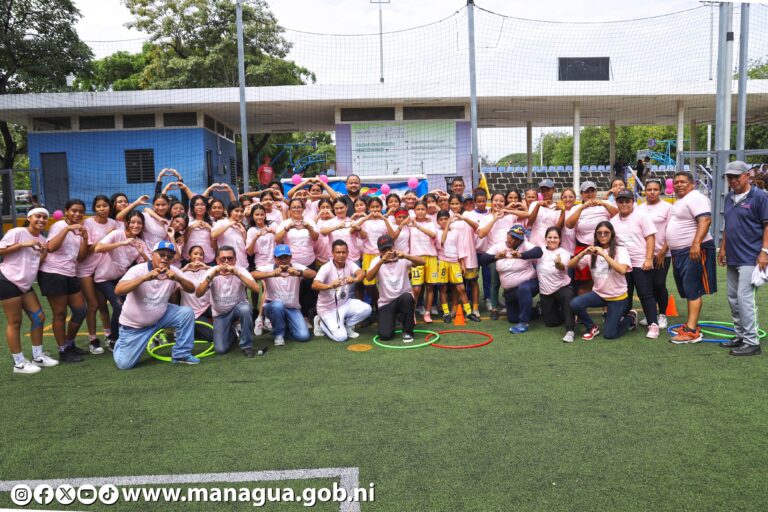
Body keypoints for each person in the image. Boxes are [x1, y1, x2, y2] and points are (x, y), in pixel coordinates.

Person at [113, 241, 200, 369]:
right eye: (161, 254)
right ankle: (120, 343)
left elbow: (192, 289)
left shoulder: (173, 271)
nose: (165, 258)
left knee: (186, 313)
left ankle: (181, 354)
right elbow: (118, 290)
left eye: (169, 256)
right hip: (136, 327)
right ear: (153, 255)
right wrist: (144, 278)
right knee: (124, 364)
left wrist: (178, 279)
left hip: (161, 315)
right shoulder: (138, 269)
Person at [717, 161, 768, 356]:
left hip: (751, 257)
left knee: (744, 299)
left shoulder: (760, 197)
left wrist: (765, 252)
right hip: (733, 255)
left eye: (736, 176)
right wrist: (722, 248)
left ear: (747, 175)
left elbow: (767, 225)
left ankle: (752, 342)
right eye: (729, 177)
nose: (733, 180)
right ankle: (740, 336)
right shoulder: (729, 197)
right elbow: (729, 225)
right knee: (733, 299)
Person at [0, 208, 58, 374]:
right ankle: (19, 363)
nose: (41, 220)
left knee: (39, 317)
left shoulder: (41, 239)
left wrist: (44, 251)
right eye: (38, 216)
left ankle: (38, 356)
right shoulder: (17, 232)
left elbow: (36, 262)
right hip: (8, 280)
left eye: (45, 218)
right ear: (29, 218)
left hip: (25, 285)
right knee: (15, 322)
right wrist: (22, 244)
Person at [667, 171, 716, 344]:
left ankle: (692, 331)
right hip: (680, 252)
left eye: (683, 182)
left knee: (692, 287)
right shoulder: (682, 201)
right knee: (688, 288)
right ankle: (690, 325)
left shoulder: (696, 197)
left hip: (693, 249)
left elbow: (705, 220)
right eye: (676, 182)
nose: (679, 184)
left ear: (692, 183)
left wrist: (696, 244)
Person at [38, 199, 89, 363]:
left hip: (70, 273)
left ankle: (70, 343)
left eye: (81, 211)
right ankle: (63, 350)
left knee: (81, 311)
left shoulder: (80, 230)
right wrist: (67, 229)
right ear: (66, 211)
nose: (77, 214)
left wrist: (85, 239)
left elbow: (81, 257)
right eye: (74, 210)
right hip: (53, 273)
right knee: (60, 313)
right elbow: (51, 247)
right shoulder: (59, 226)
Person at [569, 221, 637, 340]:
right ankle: (592, 326)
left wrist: (604, 255)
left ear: (612, 235)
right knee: (575, 303)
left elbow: (622, 270)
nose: (603, 236)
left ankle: (630, 318)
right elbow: (570, 265)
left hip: (618, 298)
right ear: (596, 236)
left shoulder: (620, 250)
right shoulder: (592, 252)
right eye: (599, 233)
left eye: (606, 233)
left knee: (610, 334)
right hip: (599, 294)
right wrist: (583, 253)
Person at [94, 211, 151, 350]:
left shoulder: (140, 242)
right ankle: (113, 339)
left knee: (132, 305)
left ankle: (130, 335)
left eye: (139, 223)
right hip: (103, 278)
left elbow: (150, 263)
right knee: (118, 306)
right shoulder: (117, 234)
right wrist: (122, 243)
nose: (136, 225)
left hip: (120, 278)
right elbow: (98, 248)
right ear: (127, 223)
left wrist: (141, 251)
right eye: (133, 222)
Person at [611, 189, 659, 338]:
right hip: (623, 264)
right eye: (621, 201)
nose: (624, 204)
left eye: (627, 201)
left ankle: (653, 324)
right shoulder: (613, 221)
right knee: (626, 294)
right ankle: (628, 320)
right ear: (616, 202)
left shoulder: (641, 216)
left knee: (645, 294)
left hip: (640, 262)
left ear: (633, 202)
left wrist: (649, 259)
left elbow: (650, 238)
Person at [195, 246, 259, 357]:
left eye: (230, 258)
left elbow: (256, 289)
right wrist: (212, 275)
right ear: (217, 260)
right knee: (220, 349)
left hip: (238, 308)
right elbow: (198, 293)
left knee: (245, 308)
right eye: (223, 259)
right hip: (221, 315)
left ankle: (247, 345)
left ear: (235, 260)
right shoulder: (211, 271)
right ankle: (232, 333)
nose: (226, 262)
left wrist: (237, 274)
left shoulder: (240, 270)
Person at [251, 244, 317, 346]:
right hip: (273, 307)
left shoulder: (295, 267)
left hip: (292, 308)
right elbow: (253, 274)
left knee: (304, 336)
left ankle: (282, 330)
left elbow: (313, 273)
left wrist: (298, 273)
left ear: (290, 257)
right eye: (280, 257)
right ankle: (278, 335)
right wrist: (271, 274)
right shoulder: (269, 268)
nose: (283, 260)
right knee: (278, 305)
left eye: (286, 257)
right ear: (274, 258)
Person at [481, 225, 542, 333]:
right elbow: (483, 259)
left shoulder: (524, 245)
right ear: (507, 234)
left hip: (530, 284)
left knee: (524, 288)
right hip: (510, 291)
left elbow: (538, 251)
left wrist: (520, 255)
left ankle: (524, 322)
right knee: (513, 318)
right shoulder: (498, 247)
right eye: (511, 236)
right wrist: (496, 257)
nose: (512, 240)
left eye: (516, 238)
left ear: (521, 239)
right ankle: (538, 310)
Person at [78, 195, 120, 353]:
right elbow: (88, 250)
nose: (102, 208)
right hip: (86, 269)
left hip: (102, 270)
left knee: (103, 306)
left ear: (110, 207)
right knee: (93, 305)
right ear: (94, 208)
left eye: (105, 205)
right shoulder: (87, 223)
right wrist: (106, 236)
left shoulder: (114, 223)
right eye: (98, 206)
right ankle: (93, 339)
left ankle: (109, 335)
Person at [366, 235, 425, 343]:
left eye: (389, 248)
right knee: (385, 335)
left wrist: (406, 256)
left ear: (394, 247)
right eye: (384, 249)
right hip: (386, 302)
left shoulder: (402, 258)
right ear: (379, 251)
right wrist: (381, 261)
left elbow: (423, 262)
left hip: (403, 298)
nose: (388, 251)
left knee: (407, 297)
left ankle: (408, 331)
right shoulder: (376, 261)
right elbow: (369, 278)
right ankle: (394, 319)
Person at [312, 240, 371, 341]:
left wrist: (354, 279)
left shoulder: (349, 263)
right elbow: (314, 285)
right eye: (338, 252)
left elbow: (361, 274)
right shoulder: (326, 267)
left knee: (367, 309)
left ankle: (347, 326)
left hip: (344, 303)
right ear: (333, 253)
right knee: (341, 338)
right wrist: (330, 286)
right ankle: (320, 322)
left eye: (344, 252)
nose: (341, 255)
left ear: (348, 253)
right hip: (327, 309)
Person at [565, 181, 618, 294]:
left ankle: (606, 309)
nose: (589, 194)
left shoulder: (605, 204)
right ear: (581, 194)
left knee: (605, 279)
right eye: (586, 192)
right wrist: (582, 207)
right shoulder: (577, 208)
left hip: (603, 247)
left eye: (592, 191)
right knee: (584, 282)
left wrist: (604, 204)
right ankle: (581, 309)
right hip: (584, 247)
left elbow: (618, 215)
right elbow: (569, 224)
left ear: (596, 192)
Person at [636, 179, 672, 329]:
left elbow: (671, 230)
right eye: (649, 189)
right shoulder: (639, 208)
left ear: (661, 190)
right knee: (647, 287)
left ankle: (662, 315)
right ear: (644, 191)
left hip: (661, 254)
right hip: (644, 255)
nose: (652, 192)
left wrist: (663, 251)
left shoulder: (667, 208)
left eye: (655, 189)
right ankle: (650, 314)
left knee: (659, 284)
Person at [436, 210, 480, 323]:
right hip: (443, 262)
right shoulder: (437, 232)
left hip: (454, 262)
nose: (444, 221)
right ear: (437, 221)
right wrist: (447, 226)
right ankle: (446, 313)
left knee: (461, 288)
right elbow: (442, 241)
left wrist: (462, 263)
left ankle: (469, 312)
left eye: (446, 219)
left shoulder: (456, 232)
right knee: (443, 288)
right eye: (441, 219)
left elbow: (460, 248)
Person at [538, 227, 576, 342]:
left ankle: (570, 331)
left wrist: (558, 263)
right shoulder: (540, 251)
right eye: (549, 237)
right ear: (545, 239)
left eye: (555, 237)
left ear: (560, 239)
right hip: (546, 292)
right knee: (551, 323)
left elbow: (562, 267)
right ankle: (550, 309)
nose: (552, 240)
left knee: (568, 295)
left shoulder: (564, 253)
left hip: (561, 287)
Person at [211, 201, 248, 269]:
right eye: (236, 211)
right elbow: (213, 235)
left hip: (243, 264)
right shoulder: (221, 222)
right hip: (226, 264)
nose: (239, 214)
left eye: (242, 211)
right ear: (230, 212)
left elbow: (246, 247)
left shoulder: (242, 226)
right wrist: (229, 225)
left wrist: (243, 233)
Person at [527, 179, 563, 247]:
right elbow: (530, 221)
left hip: (549, 245)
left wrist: (562, 211)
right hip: (534, 244)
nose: (545, 192)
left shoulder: (558, 207)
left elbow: (557, 229)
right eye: (543, 190)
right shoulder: (534, 204)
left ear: (554, 190)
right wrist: (538, 205)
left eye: (548, 190)